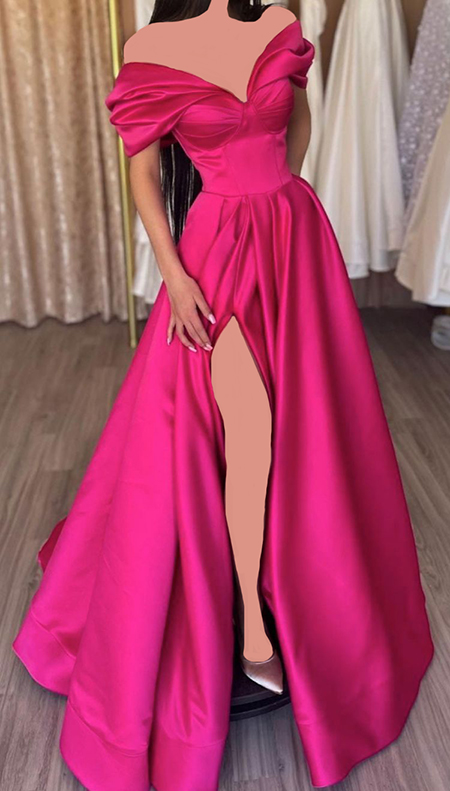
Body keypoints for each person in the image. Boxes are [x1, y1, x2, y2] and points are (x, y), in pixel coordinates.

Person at [12, 2, 435, 790]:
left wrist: (280, 193)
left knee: (311, 425)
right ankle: (253, 628)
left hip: (292, 241)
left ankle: (299, 576)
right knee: (251, 427)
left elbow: (297, 124)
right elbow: (143, 171)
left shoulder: (277, 24)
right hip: (215, 254)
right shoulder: (152, 46)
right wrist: (174, 272)